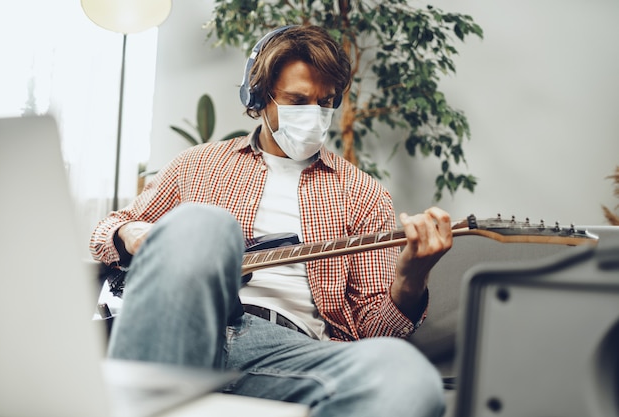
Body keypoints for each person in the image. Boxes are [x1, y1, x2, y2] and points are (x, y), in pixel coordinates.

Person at [90, 25, 452, 417]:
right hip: (183, 327)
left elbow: (374, 332)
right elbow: (104, 232)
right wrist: (133, 231)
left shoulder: (363, 194)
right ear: (259, 97)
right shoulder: (197, 164)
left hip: (285, 351)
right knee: (206, 225)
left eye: (325, 102)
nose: (314, 116)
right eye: (298, 100)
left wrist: (411, 277)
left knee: (406, 375)